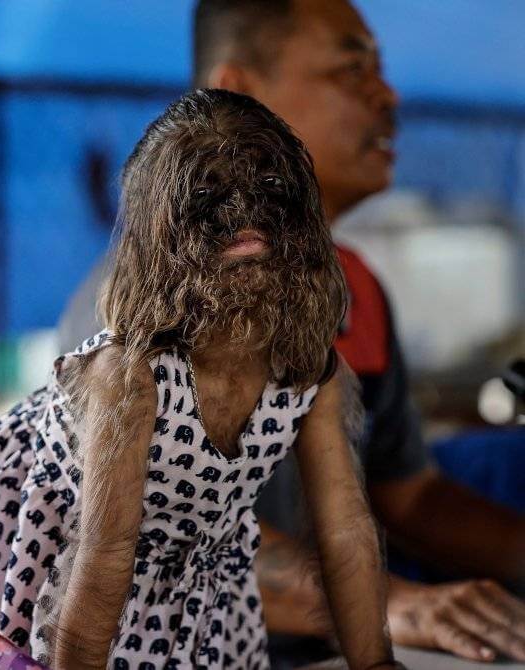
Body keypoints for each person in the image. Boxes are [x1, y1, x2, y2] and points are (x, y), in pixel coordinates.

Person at [59, 0, 525, 663]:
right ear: (239, 93)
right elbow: (155, 538)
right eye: (351, 70)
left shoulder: (354, 287)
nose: (389, 96)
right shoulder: (134, 310)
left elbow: (409, 494)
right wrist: (390, 605)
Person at [0, 89, 401, 670]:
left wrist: (378, 663)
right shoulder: (131, 377)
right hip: (46, 560)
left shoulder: (309, 371)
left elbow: (345, 530)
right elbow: (101, 555)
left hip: (188, 581)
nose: (242, 207)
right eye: (205, 194)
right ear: (159, 234)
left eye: (269, 187)